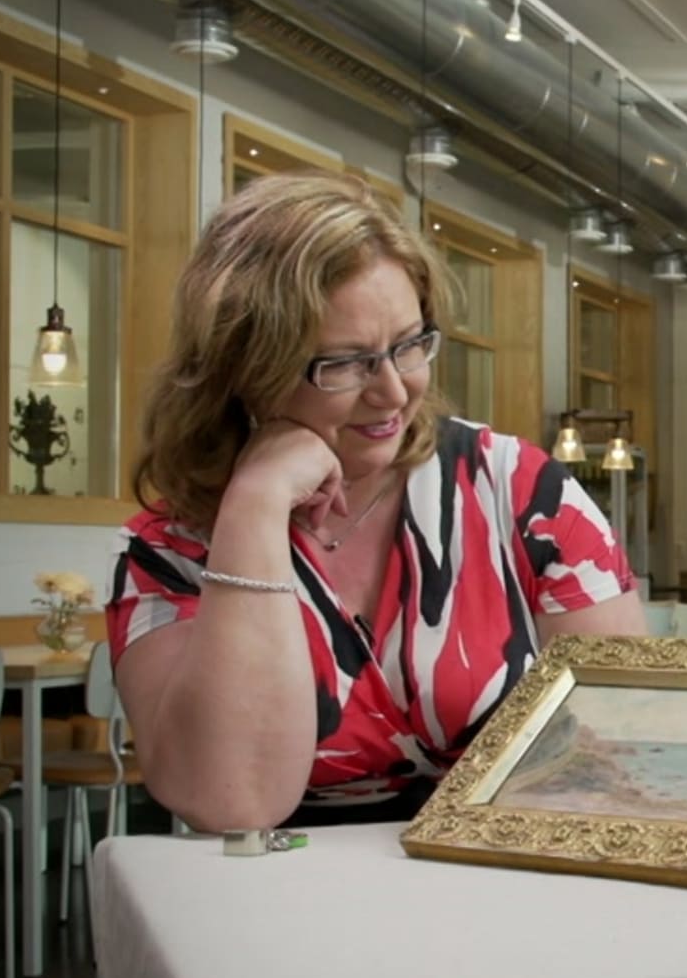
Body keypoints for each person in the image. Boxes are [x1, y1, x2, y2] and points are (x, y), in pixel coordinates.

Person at [109, 172, 646, 833]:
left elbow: (621, 745)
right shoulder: (167, 551)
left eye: (409, 345)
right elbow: (231, 803)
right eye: (344, 363)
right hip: (288, 885)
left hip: (511, 868)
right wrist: (255, 504)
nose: (394, 392)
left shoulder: (521, 492)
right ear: (244, 367)